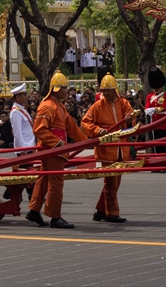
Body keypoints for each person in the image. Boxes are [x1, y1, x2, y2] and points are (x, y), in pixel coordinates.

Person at [26, 72, 86, 230]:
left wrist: (86, 142)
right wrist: (57, 142)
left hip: (55, 149)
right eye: (64, 88)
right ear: (56, 89)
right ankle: (55, 216)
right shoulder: (47, 106)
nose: (67, 91)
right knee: (56, 182)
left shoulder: (58, 106)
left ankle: (33, 210)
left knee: (43, 180)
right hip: (52, 150)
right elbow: (39, 129)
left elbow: (72, 128)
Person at [80, 74, 138, 223]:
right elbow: (85, 122)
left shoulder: (124, 103)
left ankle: (100, 210)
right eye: (103, 90)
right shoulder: (98, 105)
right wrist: (98, 130)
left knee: (115, 182)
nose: (104, 93)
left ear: (114, 90)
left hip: (121, 147)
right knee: (111, 182)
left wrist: (129, 120)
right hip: (107, 148)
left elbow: (132, 121)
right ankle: (111, 213)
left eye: (107, 90)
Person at [145, 67, 166, 156]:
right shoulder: (150, 96)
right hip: (154, 124)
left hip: (164, 124)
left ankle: (165, 167)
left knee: (165, 146)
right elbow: (147, 107)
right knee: (156, 146)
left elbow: (165, 107)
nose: (156, 89)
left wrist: (154, 109)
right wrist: (148, 110)